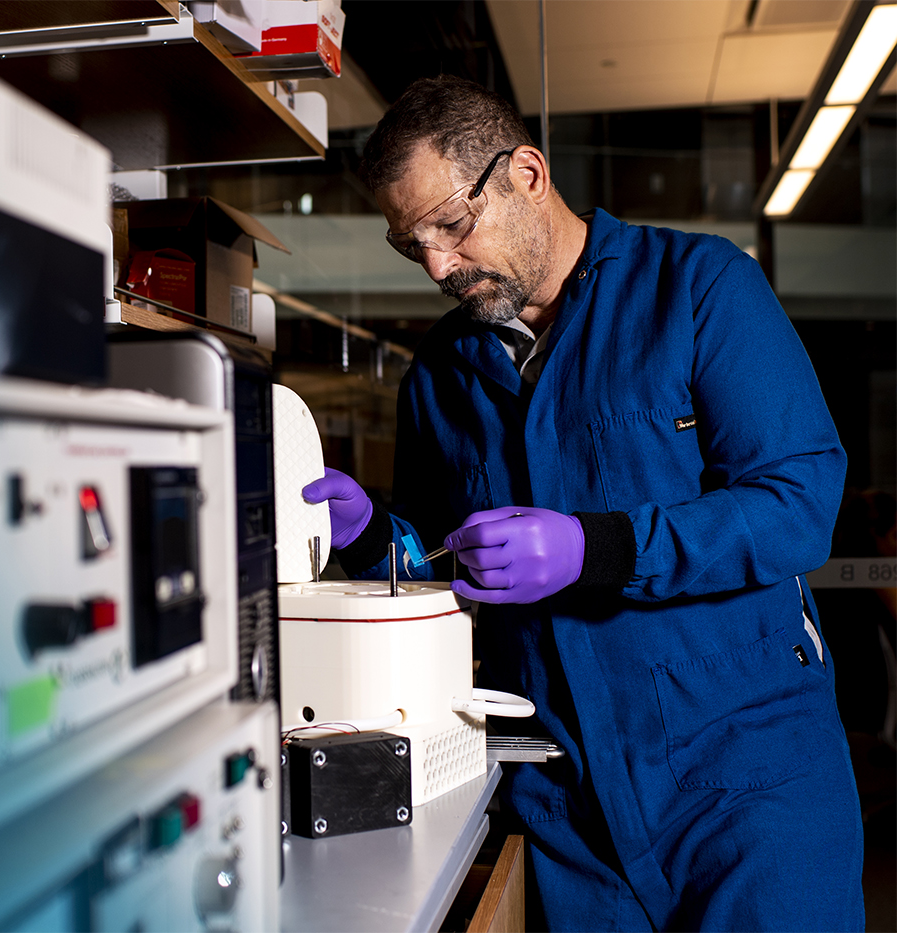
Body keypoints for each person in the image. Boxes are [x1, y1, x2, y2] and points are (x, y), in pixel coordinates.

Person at [302, 75, 864, 931]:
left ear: (526, 171)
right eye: (410, 245)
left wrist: (597, 547)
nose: (439, 266)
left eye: (451, 225)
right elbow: (436, 578)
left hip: (748, 784)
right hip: (568, 810)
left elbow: (798, 503)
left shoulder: (700, 288)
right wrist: (370, 533)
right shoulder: (441, 377)